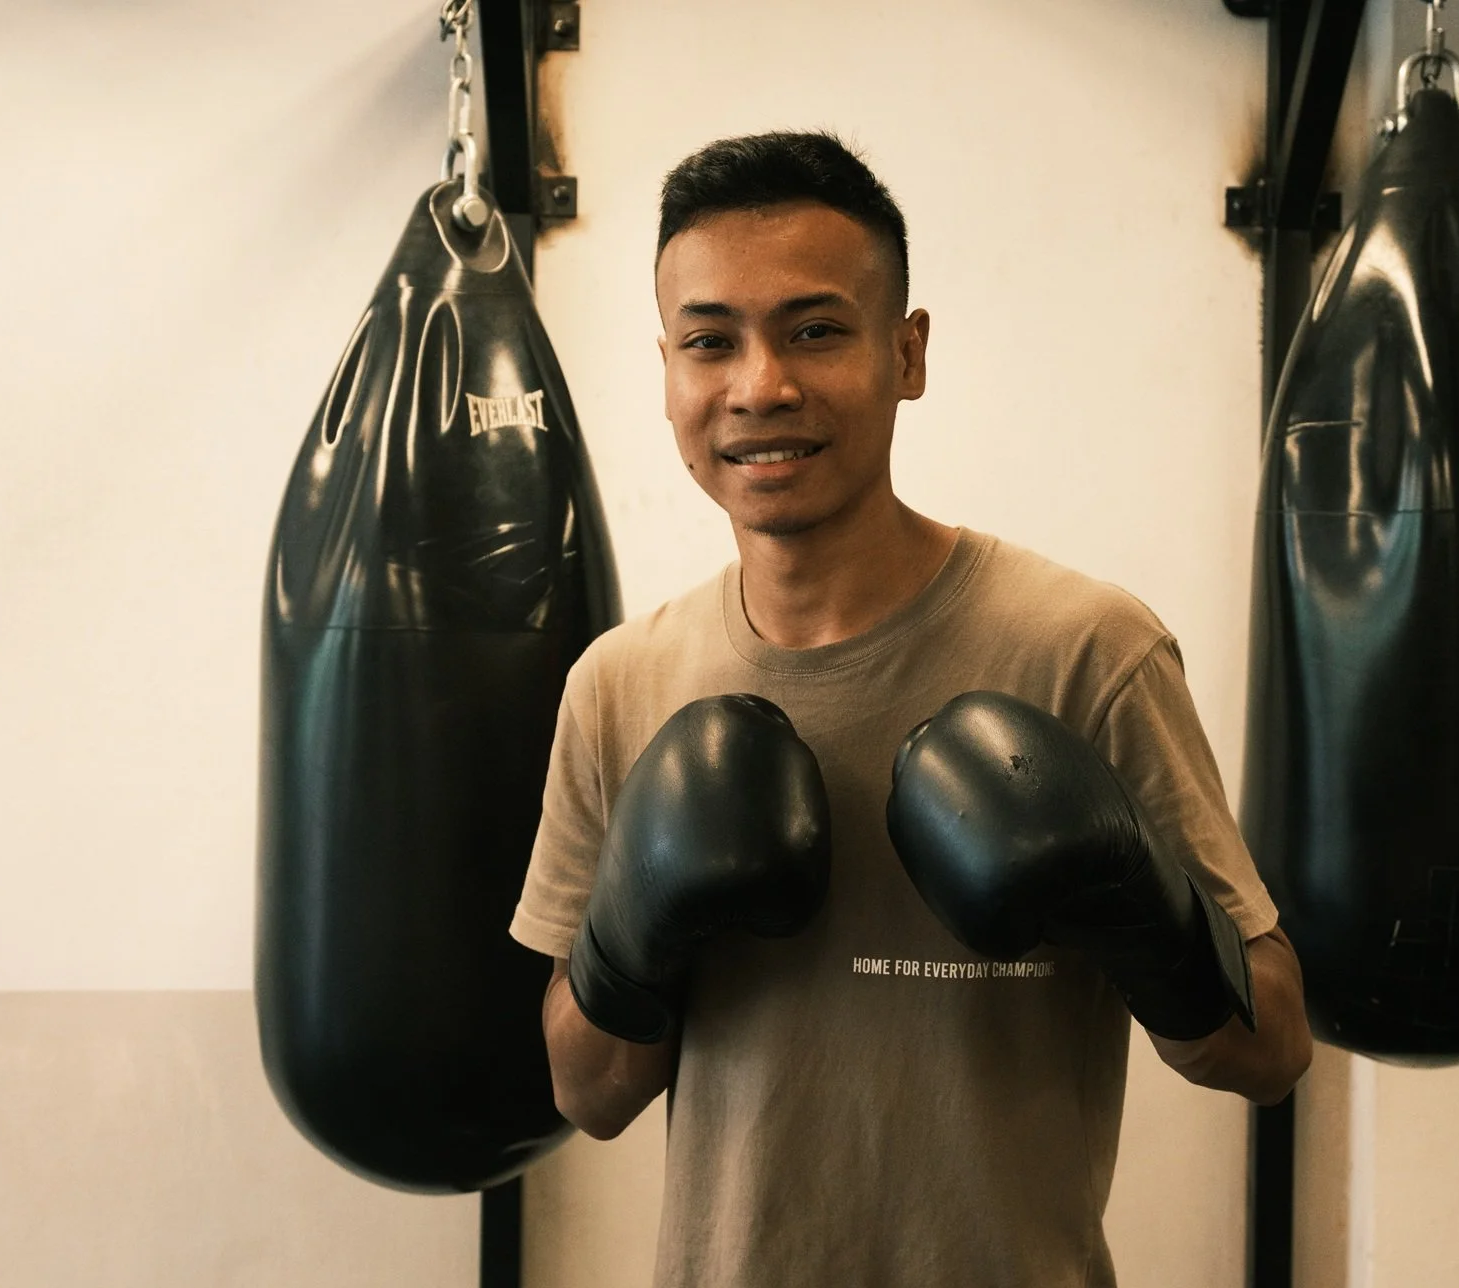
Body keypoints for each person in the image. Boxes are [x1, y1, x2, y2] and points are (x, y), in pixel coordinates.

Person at [509, 130, 1312, 1288]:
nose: (760, 386)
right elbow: (588, 1095)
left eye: (816, 330)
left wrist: (1138, 909)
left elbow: (1271, 1047)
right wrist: (634, 938)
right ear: (671, 373)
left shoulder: (1088, 650)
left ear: (908, 352)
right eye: (709, 342)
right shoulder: (620, 684)